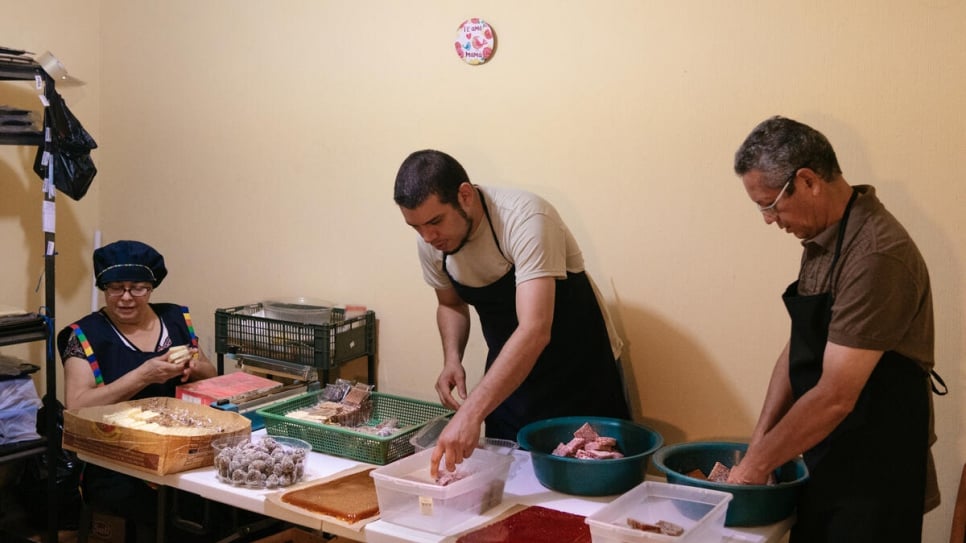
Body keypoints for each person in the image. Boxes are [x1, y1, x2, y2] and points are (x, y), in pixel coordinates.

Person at [729, 116, 945, 542]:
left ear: (807, 181)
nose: (769, 220)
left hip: (876, 469)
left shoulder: (877, 256)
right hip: (828, 452)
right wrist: (759, 444)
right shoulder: (824, 237)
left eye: (769, 205)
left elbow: (834, 396)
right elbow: (798, 345)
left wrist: (755, 468)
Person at [393, 149, 630, 476]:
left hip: (579, 371)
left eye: (435, 221)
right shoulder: (433, 241)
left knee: (587, 481)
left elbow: (534, 329)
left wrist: (470, 413)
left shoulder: (526, 218)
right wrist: (452, 358)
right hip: (510, 378)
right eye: (416, 227)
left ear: (465, 195)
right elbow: (450, 304)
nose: (428, 237)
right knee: (511, 485)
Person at [58, 239, 217, 542]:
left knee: (224, 502)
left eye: (138, 288)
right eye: (116, 288)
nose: (126, 298)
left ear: (151, 287)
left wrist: (194, 367)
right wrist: (144, 375)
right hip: (116, 457)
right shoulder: (84, 335)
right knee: (173, 510)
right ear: (104, 289)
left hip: (183, 446)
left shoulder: (174, 320)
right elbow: (76, 406)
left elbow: (211, 377)